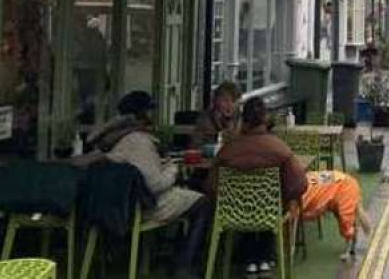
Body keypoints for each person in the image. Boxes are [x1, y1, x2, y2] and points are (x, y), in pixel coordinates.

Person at [91, 91, 209, 278]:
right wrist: (172, 167)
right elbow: (155, 184)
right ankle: (183, 265)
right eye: (150, 111)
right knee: (203, 203)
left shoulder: (110, 141)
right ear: (142, 115)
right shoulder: (138, 141)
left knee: (187, 194)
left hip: (117, 207)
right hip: (144, 206)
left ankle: (164, 251)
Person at [212, 97, 308, 276]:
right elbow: (299, 184)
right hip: (269, 211)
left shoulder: (227, 150)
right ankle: (265, 258)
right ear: (265, 119)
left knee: (246, 205)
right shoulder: (280, 149)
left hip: (232, 212)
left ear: (243, 120)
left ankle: (248, 259)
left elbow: (212, 185)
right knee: (269, 206)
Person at [192, 81, 241, 148]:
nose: (229, 105)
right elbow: (196, 144)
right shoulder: (205, 120)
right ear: (216, 101)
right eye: (225, 100)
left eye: (233, 101)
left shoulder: (242, 120)